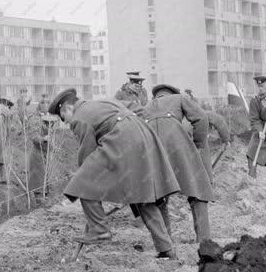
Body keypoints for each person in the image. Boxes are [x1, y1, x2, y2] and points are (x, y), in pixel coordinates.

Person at [49, 88, 179, 259]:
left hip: (125, 140)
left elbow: (87, 154)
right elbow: (139, 109)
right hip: (144, 137)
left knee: (81, 183)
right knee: (142, 198)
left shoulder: (79, 118)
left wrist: (83, 187)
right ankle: (166, 250)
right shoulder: (101, 102)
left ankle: (99, 230)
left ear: (66, 108)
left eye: (63, 117)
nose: (65, 122)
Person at [145, 84, 214, 243]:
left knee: (158, 198)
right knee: (198, 192)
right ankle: (204, 241)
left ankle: (166, 244)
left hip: (152, 152)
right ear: (172, 94)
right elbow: (201, 118)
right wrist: (197, 144)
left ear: (156, 97)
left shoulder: (146, 107)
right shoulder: (179, 98)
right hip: (178, 148)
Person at [27, 113, 58, 196]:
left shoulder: (50, 131)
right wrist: (43, 139)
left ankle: (44, 194)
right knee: (37, 178)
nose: (51, 126)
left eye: (52, 124)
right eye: (49, 123)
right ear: (44, 123)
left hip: (45, 156)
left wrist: (54, 148)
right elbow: (34, 138)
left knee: (44, 177)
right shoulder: (38, 129)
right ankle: (36, 195)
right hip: (37, 156)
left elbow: (50, 144)